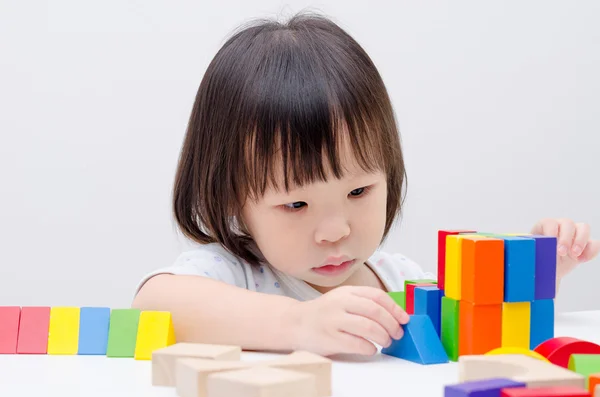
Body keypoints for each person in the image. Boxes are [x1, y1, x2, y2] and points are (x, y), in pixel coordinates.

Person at [132, 12, 599, 357]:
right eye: (296, 204)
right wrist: (299, 323)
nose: (335, 231)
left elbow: (470, 321)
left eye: (359, 192)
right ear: (231, 196)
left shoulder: (396, 278)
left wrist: (537, 272)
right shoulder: (237, 274)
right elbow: (154, 303)